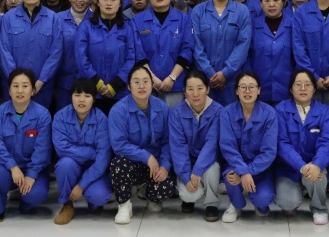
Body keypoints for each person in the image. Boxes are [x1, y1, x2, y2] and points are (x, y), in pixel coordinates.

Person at [109, 62, 177, 224]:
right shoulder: (118, 110)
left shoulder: (162, 108)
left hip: (156, 165)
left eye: (146, 81)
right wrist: (146, 157)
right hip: (131, 164)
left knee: (167, 187)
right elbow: (119, 144)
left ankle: (150, 195)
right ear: (129, 86)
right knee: (118, 164)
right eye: (136, 82)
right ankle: (124, 205)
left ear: (152, 85)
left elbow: (168, 141)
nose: (141, 86)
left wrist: (165, 166)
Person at [0, 67, 52, 222]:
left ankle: (26, 202)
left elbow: (43, 149)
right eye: (15, 86)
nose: (20, 90)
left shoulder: (42, 115)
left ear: (33, 90)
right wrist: (13, 167)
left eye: (25, 86)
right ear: (9, 90)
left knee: (35, 195)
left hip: (33, 167)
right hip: (6, 168)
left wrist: (31, 174)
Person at [274, 68, 329, 225]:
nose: (303, 88)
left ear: (314, 89)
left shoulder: (325, 112)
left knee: (318, 175)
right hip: (288, 168)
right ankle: (295, 192)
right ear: (291, 89)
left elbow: (327, 142)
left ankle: (319, 208)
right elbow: (282, 144)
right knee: (288, 204)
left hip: (314, 165)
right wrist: (301, 166)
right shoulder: (280, 110)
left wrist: (317, 164)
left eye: (307, 84)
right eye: (298, 84)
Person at [219, 70, 278, 222]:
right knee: (231, 177)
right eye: (243, 87)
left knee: (263, 198)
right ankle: (235, 204)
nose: (247, 91)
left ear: (259, 90)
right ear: (236, 91)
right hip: (235, 166)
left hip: (261, 168)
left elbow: (269, 152)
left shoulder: (269, 114)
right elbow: (228, 147)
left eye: (251, 87)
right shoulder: (227, 113)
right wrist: (242, 171)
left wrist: (248, 171)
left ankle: (260, 204)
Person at [51, 79, 113, 225]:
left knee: (99, 196)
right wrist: (91, 153)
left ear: (94, 99)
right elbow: (61, 148)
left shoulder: (101, 119)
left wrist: (81, 185)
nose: (81, 100)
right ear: (71, 96)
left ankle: (93, 202)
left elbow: (103, 159)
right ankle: (67, 205)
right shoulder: (60, 117)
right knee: (65, 164)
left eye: (87, 96)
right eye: (77, 95)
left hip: (95, 169)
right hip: (73, 165)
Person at [0, 0, 62, 109]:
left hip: (42, 86)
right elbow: (4, 51)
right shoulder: (8, 18)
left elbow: (55, 53)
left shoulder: (53, 18)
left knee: (40, 119)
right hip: (14, 86)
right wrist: (17, 82)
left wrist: (41, 80)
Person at [130, 0, 194, 107]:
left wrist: (172, 78)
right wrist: (152, 79)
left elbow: (187, 49)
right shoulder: (137, 20)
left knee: (174, 118)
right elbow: (138, 52)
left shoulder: (184, 19)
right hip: (146, 84)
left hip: (175, 84)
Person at [191, 0, 251, 104]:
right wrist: (210, 73)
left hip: (232, 80)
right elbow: (196, 45)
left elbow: (243, 45)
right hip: (204, 79)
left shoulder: (242, 11)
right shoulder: (198, 11)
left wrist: (225, 73)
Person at [169, 69, 223, 221]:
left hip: (209, 160)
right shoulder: (176, 112)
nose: (195, 94)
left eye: (200, 88)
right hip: (187, 162)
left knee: (213, 167)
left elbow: (212, 145)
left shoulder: (219, 111)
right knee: (189, 194)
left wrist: (198, 171)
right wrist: (187, 177)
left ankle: (212, 203)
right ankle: (188, 200)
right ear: (184, 91)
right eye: (190, 89)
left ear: (208, 89)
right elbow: (178, 148)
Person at [76, 0, 138, 112]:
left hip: (120, 92)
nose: (109, 3)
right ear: (98, 2)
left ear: (120, 3)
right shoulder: (86, 26)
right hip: (91, 91)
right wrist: (97, 83)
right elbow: (81, 58)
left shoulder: (128, 27)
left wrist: (116, 84)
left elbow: (131, 57)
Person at [246, 0, 294, 105]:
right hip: (259, 89)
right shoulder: (253, 25)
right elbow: (246, 56)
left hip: (287, 90)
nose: (271, 4)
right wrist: (250, 81)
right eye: (267, 1)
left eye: (276, 0)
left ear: (283, 2)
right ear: (261, 3)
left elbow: (299, 56)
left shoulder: (293, 24)